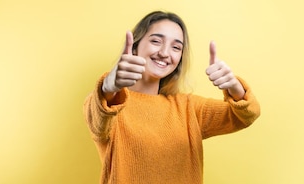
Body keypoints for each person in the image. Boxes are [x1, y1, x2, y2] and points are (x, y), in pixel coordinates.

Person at [83, 11, 260, 184]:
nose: (165, 53)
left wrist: (234, 86)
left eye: (176, 47)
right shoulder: (110, 105)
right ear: (135, 45)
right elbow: (98, 117)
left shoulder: (188, 108)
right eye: (156, 41)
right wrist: (108, 86)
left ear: (179, 59)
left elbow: (246, 116)